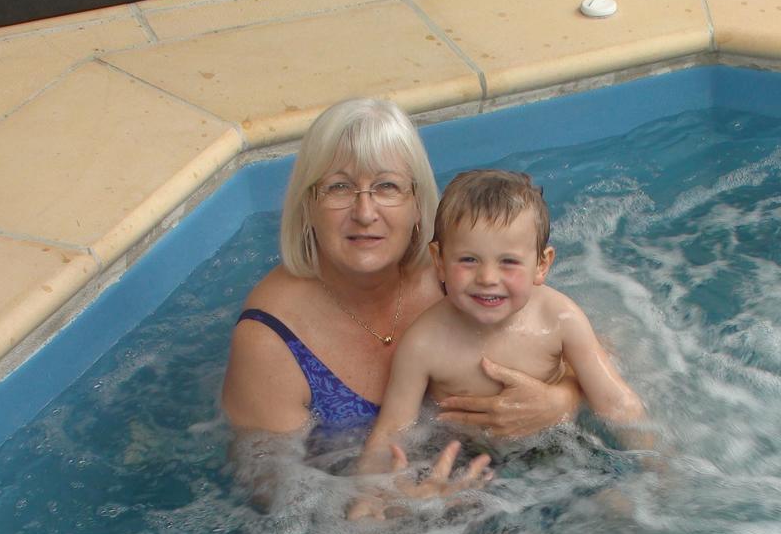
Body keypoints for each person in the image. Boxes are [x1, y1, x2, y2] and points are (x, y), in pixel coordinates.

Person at [221, 99, 582, 497]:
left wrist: (560, 401)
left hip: (509, 486)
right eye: (338, 187)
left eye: (387, 187)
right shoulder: (271, 340)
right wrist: (393, 514)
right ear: (308, 206)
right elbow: (277, 497)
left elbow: (578, 346)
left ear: (417, 203)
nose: (364, 212)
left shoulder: (462, 273)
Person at [348, 169, 650, 520]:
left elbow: (617, 402)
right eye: (468, 260)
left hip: (556, 444)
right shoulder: (424, 343)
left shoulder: (559, 318)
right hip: (472, 462)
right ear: (439, 262)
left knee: (618, 509)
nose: (488, 278)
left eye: (508, 261)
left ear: (541, 264)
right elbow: (392, 430)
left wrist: (662, 469)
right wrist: (369, 494)